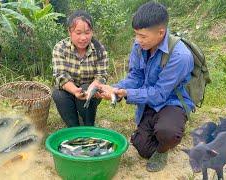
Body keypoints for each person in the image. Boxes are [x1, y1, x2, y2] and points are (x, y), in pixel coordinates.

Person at [98, 1, 194, 172]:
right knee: (142, 147)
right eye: (136, 34)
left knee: (168, 132)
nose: (137, 40)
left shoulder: (180, 56)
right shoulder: (140, 46)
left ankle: (167, 140)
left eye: (142, 36)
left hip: (171, 101)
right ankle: (160, 132)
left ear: (161, 32)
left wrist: (126, 93)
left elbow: (159, 94)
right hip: (149, 101)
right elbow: (136, 76)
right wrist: (115, 89)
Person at [52, 10, 108, 127]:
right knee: (58, 94)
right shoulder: (60, 48)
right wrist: (74, 90)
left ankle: (88, 124)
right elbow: (60, 75)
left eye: (87, 33)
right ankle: (73, 127)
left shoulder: (99, 49)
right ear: (69, 32)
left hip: (89, 90)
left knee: (86, 88)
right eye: (78, 33)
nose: (83, 38)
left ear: (92, 31)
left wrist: (93, 87)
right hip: (68, 90)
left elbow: (101, 75)